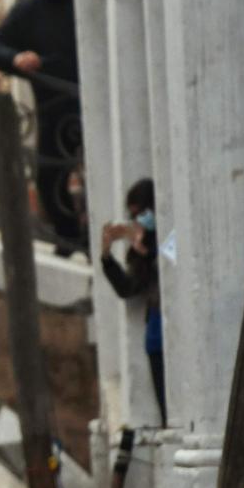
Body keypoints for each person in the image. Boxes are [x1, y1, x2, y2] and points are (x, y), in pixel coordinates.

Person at [0, 0, 83, 255]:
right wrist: (16, 59)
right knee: (49, 178)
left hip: (96, 102)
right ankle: (71, 240)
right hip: (53, 107)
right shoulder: (30, 11)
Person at [99, 178, 164, 426]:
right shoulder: (141, 252)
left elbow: (173, 264)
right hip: (155, 337)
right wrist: (107, 255)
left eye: (145, 214)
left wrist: (148, 248)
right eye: (136, 215)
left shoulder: (166, 240)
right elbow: (128, 288)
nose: (141, 220)